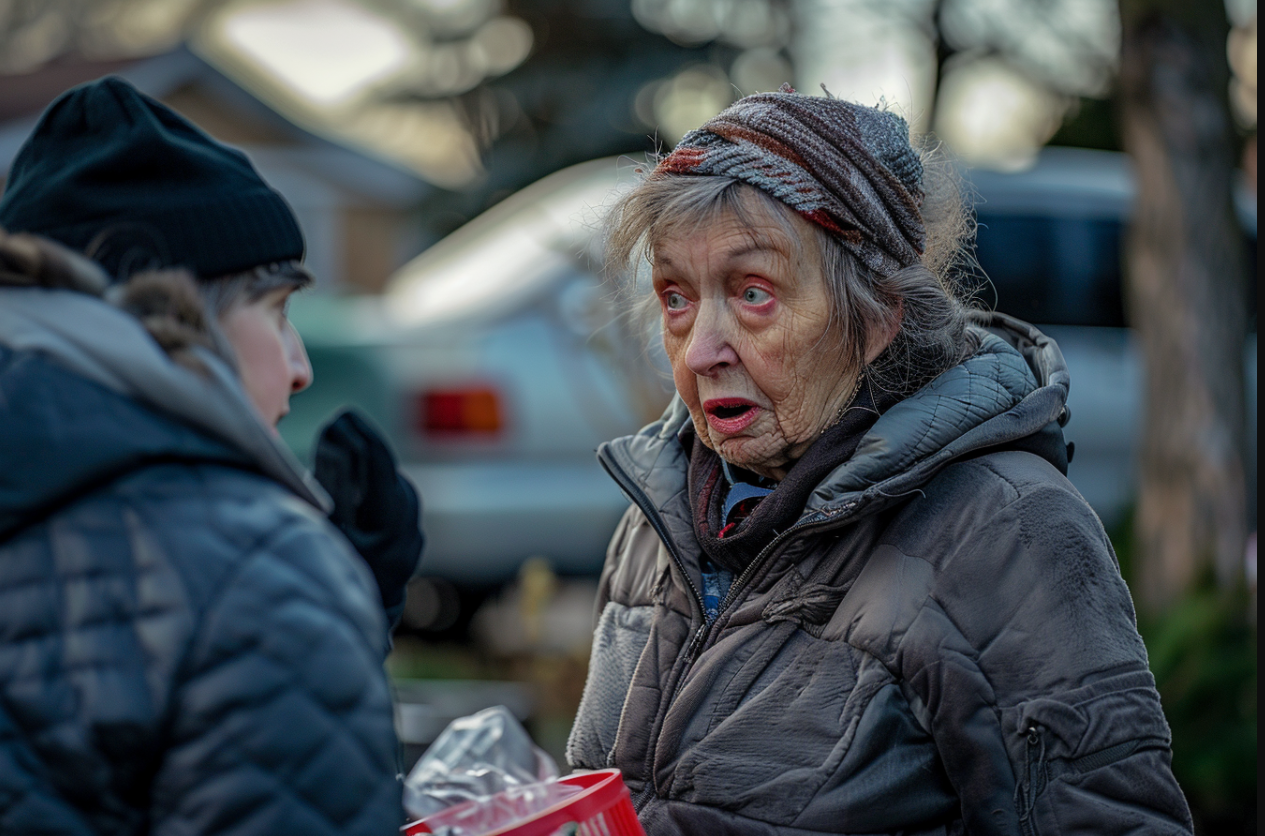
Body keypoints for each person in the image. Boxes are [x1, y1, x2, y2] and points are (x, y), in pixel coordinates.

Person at [567, 86, 1194, 835]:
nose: (700, 350)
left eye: (754, 292)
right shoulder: (660, 518)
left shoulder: (1005, 533)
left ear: (875, 317)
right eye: (675, 297)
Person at [0, 77, 422, 834]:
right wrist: (307, 596)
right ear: (179, 317)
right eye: (276, 310)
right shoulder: (261, 567)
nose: (300, 366)